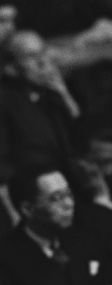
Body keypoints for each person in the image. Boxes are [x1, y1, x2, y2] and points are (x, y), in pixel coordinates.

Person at [0, 166, 95, 285]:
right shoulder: (6, 257)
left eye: (68, 194)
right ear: (28, 209)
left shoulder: (78, 241)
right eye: (56, 198)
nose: (68, 204)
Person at [0, 30, 78, 187]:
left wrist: (64, 93)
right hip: (30, 192)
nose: (42, 61)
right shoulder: (5, 101)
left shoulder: (53, 96)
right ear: (11, 67)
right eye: (31, 56)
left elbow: (80, 142)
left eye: (43, 52)